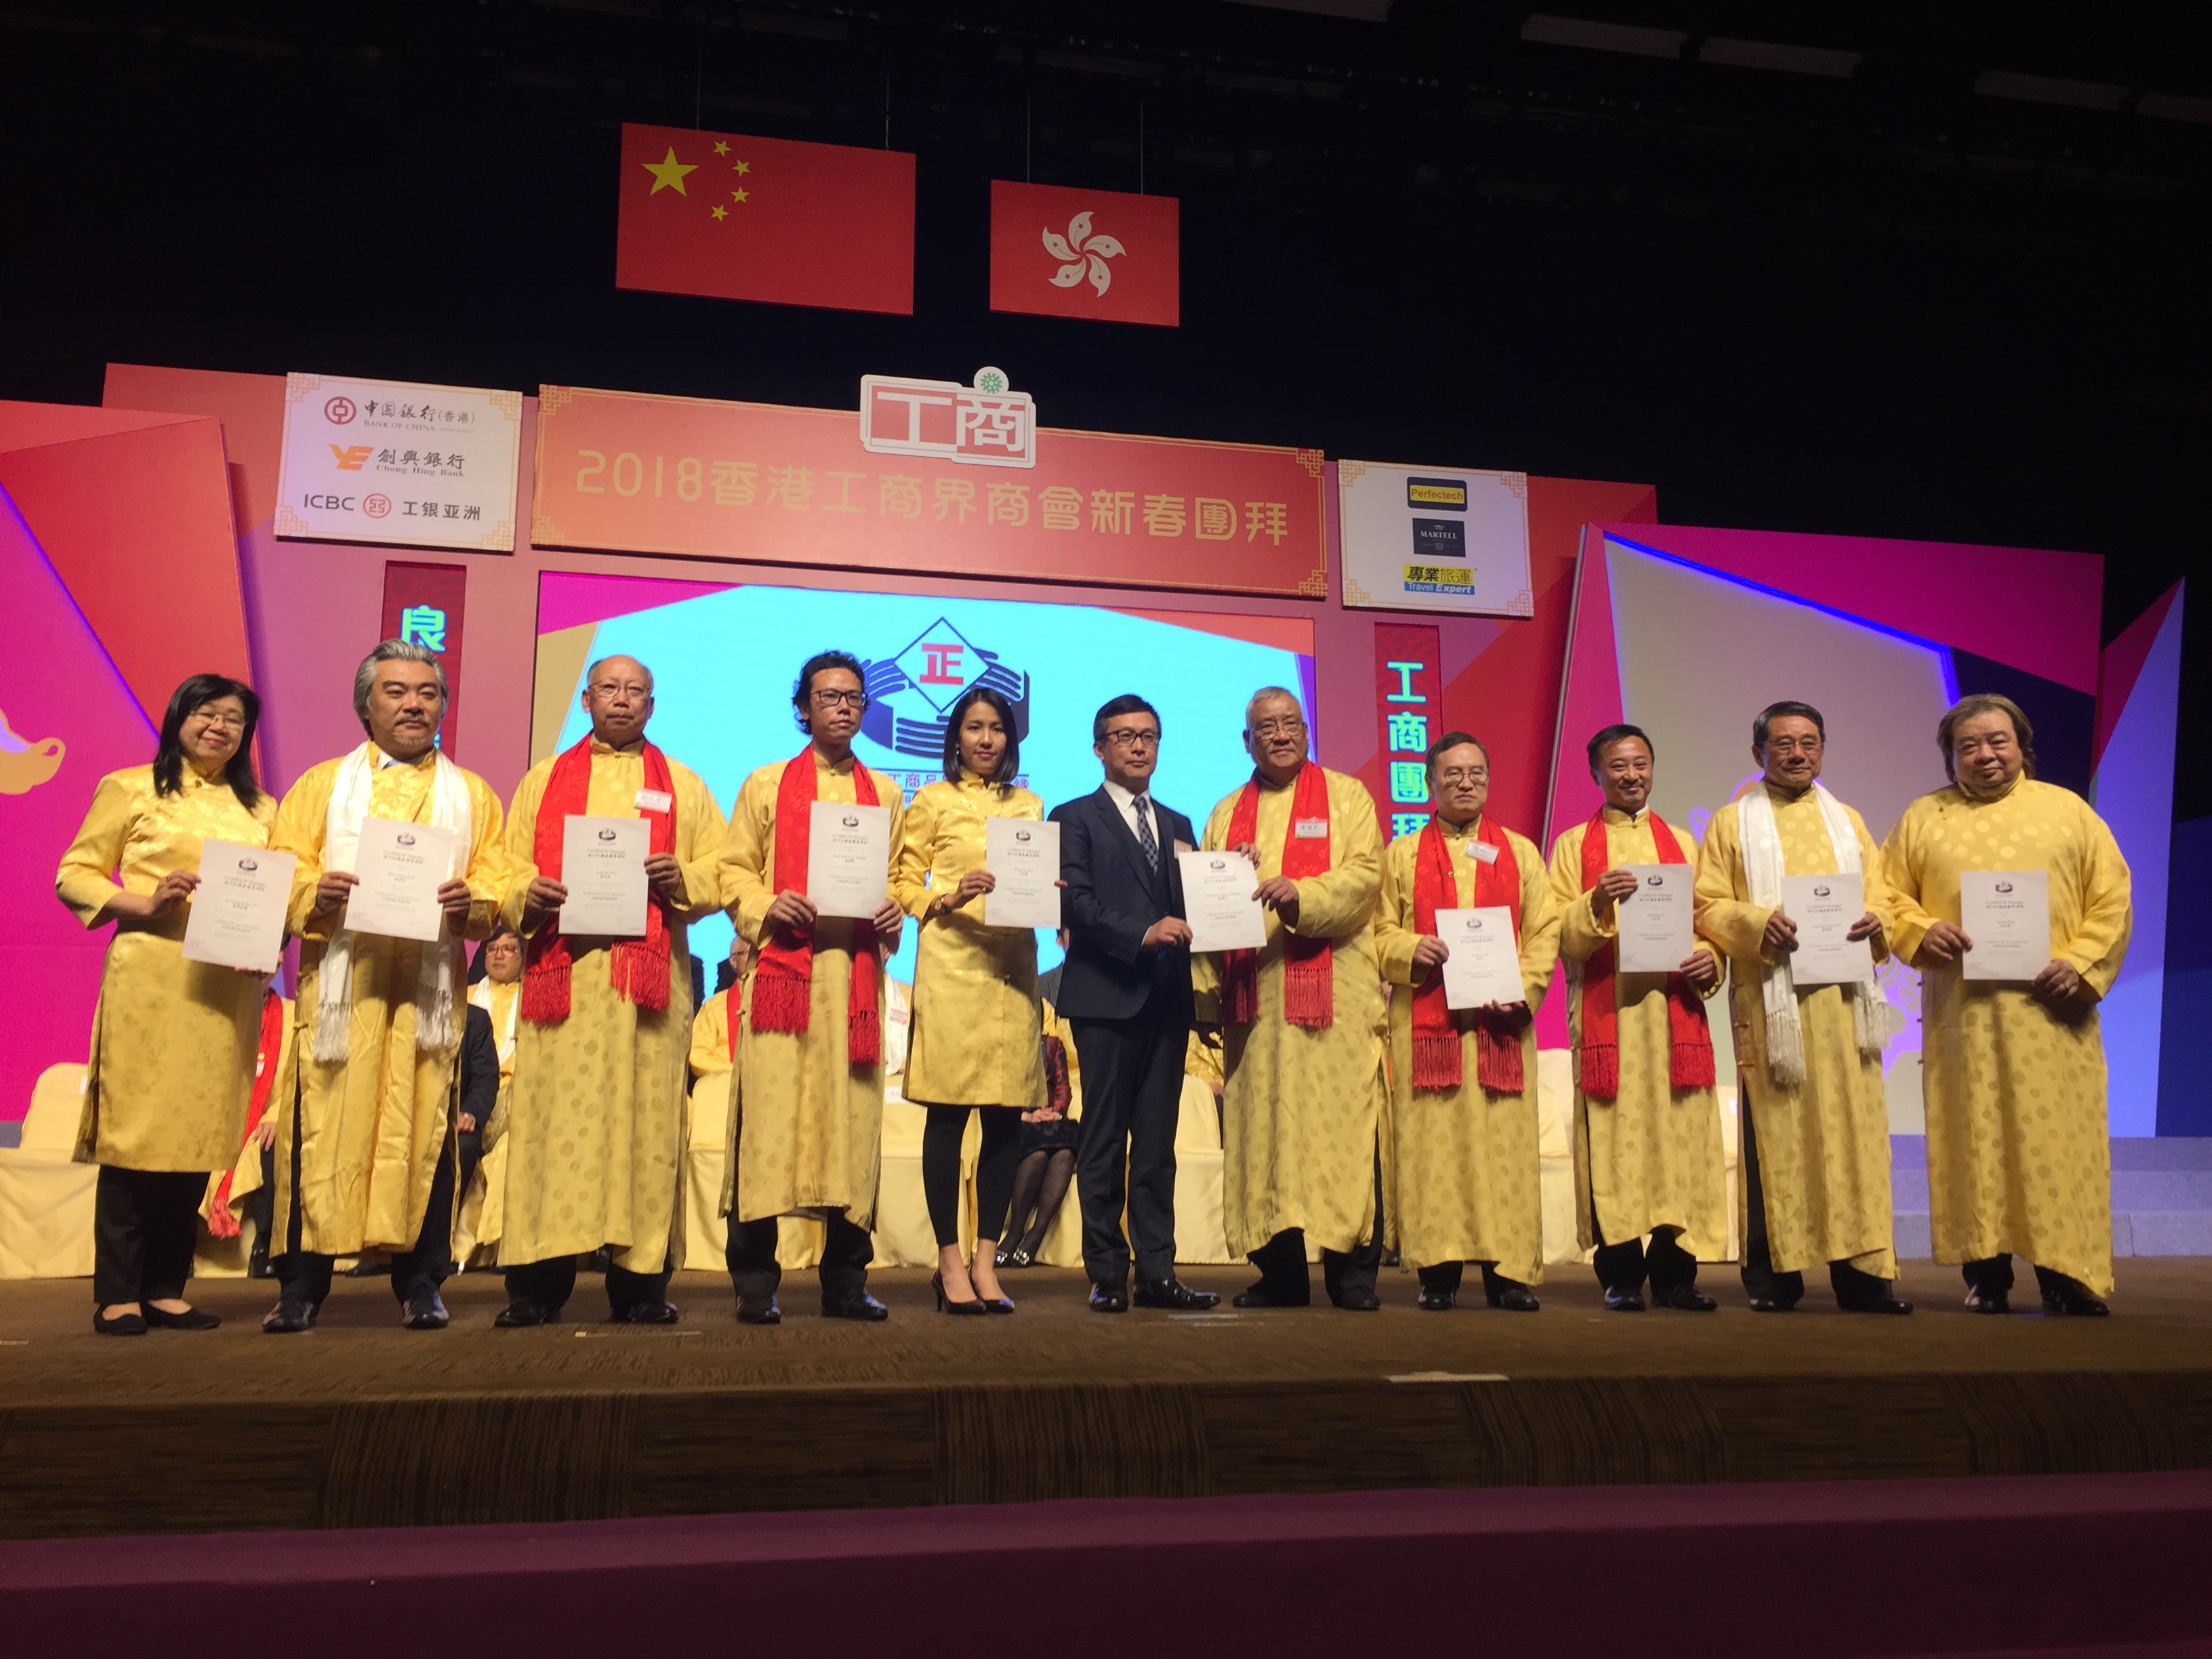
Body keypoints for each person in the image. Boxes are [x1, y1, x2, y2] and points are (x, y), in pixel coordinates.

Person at [263, 640, 508, 1332]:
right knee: (320, 1130)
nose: (413, 705)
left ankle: (421, 1283)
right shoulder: (320, 788)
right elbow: (284, 868)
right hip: (344, 995)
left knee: (425, 1131)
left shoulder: (471, 795)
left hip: (427, 1001)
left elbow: (498, 877)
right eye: (396, 692)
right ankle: (301, 1287)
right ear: (366, 705)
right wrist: (316, 891)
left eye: (427, 693)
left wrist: (474, 901)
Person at [1882, 693, 2131, 1315]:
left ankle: (2065, 1274)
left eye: (1998, 741)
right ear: (1950, 758)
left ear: (2022, 746)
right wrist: (1921, 931)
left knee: (2056, 1144)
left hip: (2053, 1016)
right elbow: (1884, 897)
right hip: (1964, 1015)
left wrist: (2080, 964)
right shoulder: (1923, 818)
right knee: (1974, 1141)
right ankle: (1986, 1276)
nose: (1985, 755)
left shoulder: (2068, 812)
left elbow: (2112, 898)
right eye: (1968, 746)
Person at [496, 655, 726, 1327]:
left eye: (635, 691)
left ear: (652, 705)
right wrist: (527, 891)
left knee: (647, 1130)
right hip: (563, 986)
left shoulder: (682, 784)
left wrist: (681, 877)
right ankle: (536, 1287)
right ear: (586, 699)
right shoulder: (544, 780)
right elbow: (505, 868)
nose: (621, 700)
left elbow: (723, 869)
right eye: (609, 689)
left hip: (645, 991)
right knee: (550, 1130)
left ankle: (640, 1286)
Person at [55, 674, 276, 1335]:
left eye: (233, 718)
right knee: (135, 1134)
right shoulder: (130, 788)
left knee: (199, 1131)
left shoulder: (262, 810)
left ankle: (164, 1287)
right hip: (151, 982)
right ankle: (118, 1291)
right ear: (178, 716)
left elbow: (275, 892)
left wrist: (269, 941)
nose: (219, 726)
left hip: (225, 988)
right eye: (206, 712)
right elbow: (75, 874)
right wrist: (147, 903)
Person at [1692, 702, 1912, 1315]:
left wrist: (1878, 920)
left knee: (1855, 1142)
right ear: (1758, 753)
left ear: (1822, 750)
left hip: (1845, 1012)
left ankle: (1864, 1279)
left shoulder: (1848, 820)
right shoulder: (1732, 824)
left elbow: (1883, 896)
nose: (1797, 754)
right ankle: (1774, 1279)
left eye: (1809, 743)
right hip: (1775, 1013)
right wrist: (1759, 922)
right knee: (1775, 1140)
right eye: (1783, 743)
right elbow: (1707, 905)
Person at [717, 649, 906, 1324]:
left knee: (850, 1133)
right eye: (829, 696)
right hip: (783, 982)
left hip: (853, 985)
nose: (843, 707)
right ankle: (756, 1284)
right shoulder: (766, 784)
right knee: (766, 1134)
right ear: (803, 708)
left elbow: (896, 879)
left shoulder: (886, 793)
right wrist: (767, 905)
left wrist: (894, 910)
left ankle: (846, 1282)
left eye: (854, 697)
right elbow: (733, 872)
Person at [1195, 687, 1386, 1310]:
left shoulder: (1348, 797)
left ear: (1306, 730)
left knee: (1343, 1131)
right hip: (1257, 1006)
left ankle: (1351, 1276)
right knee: (1265, 1136)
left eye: (1290, 723)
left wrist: (1302, 893)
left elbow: (1366, 877)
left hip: (1335, 997)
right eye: (1267, 727)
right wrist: (1206, 996)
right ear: (1246, 741)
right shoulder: (1227, 812)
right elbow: (1208, 900)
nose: (1280, 735)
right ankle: (1279, 1274)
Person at [1373, 733, 1560, 1312]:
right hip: (1428, 1030)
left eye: (1476, 772)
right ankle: (1438, 1274)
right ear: (1430, 782)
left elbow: (1544, 931)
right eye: (1452, 774)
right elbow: (1376, 930)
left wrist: (1522, 989)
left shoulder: (1520, 853)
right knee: (1435, 1151)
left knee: (1505, 1151)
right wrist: (1411, 948)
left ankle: (1509, 1275)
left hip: (1500, 1029)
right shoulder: (1402, 855)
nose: (1465, 783)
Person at [1547, 724, 1726, 1312]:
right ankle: (1620, 1276)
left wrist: (1712, 958)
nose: (1631, 775)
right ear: (1595, 774)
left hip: (1676, 1021)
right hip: (1611, 1020)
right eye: (1618, 765)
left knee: (1679, 1146)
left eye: (1640, 763)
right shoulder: (1574, 846)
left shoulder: (1684, 843)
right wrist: (1596, 902)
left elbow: (1709, 921)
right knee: (1614, 1146)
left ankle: (1677, 1276)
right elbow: (1557, 933)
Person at [1049, 695, 1218, 1313]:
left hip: (1167, 1003)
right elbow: (1073, 902)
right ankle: (1106, 1273)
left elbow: (1194, 908)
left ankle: (1158, 1272)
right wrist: (1142, 934)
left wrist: (1229, 876)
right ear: (1100, 748)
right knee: (1102, 1141)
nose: (1139, 746)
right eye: (1124, 736)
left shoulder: (1178, 823)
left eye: (1149, 735)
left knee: (1155, 1147)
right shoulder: (1073, 816)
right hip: (1105, 998)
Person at [890, 685, 1040, 1315]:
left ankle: (986, 1261)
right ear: (956, 737)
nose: (986, 739)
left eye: (996, 728)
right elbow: (901, 880)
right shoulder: (931, 799)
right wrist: (946, 897)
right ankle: (948, 1261)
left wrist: (1052, 892)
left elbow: (1035, 882)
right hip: (952, 967)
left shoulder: (1030, 805)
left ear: (1010, 738)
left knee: (1005, 1120)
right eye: (974, 727)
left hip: (1013, 973)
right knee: (948, 1119)